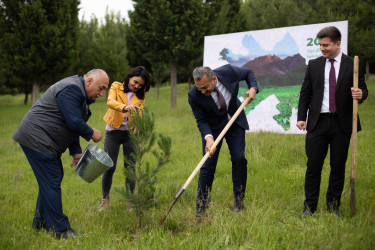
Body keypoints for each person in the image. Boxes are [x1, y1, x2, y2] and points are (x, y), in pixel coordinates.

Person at [12, 69, 109, 238]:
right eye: (100, 88)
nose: (101, 93)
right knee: (52, 178)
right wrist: (91, 132)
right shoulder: (72, 89)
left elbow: (69, 123)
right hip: (37, 137)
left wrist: (76, 152)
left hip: (41, 138)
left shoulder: (78, 90)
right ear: (89, 82)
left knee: (50, 179)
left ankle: (40, 223)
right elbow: (73, 122)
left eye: (104, 90)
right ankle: (60, 229)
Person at [297, 26, 368, 217]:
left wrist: (361, 94)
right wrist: (301, 117)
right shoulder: (313, 65)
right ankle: (309, 206)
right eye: (320, 45)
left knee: (338, 166)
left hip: (342, 123)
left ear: (338, 43)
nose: (322, 48)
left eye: (326, 45)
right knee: (313, 166)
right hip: (317, 123)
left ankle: (333, 205)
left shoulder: (352, 64)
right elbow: (305, 93)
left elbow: (363, 90)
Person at [188, 64, 258, 217]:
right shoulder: (194, 95)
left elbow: (248, 72)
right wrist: (208, 138)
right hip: (213, 129)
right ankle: (201, 207)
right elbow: (201, 120)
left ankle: (239, 202)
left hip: (234, 121)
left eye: (205, 88)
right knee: (207, 165)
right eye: (199, 88)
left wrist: (253, 88)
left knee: (239, 158)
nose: (202, 91)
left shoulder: (228, 72)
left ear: (214, 79)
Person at [98, 66, 151, 211]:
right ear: (129, 77)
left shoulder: (140, 96)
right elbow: (110, 102)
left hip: (130, 135)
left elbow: (140, 112)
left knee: (130, 168)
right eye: (135, 82)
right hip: (113, 132)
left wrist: (138, 126)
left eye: (140, 85)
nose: (136, 86)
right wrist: (124, 107)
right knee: (109, 166)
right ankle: (105, 200)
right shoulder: (116, 86)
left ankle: (130, 201)